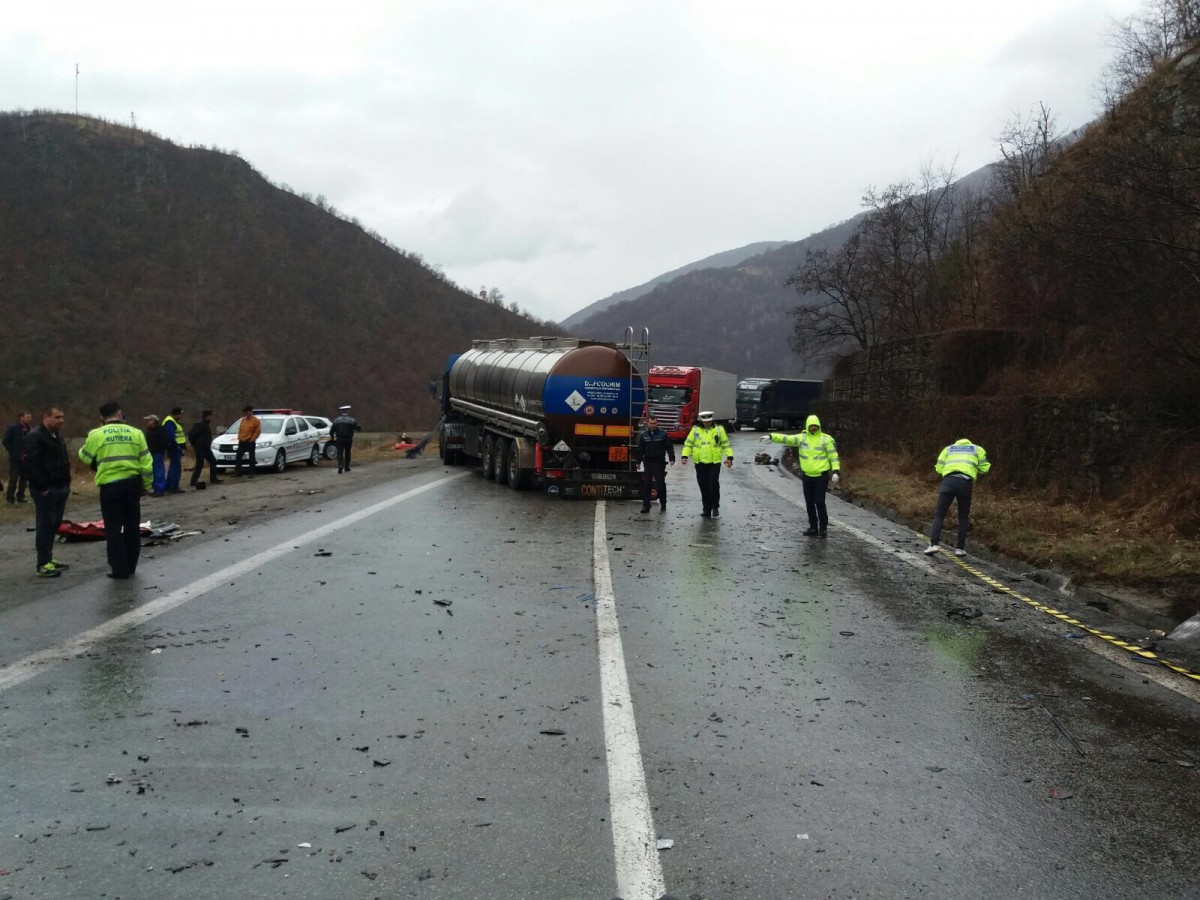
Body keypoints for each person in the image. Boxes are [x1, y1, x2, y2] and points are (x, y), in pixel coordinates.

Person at [78, 401, 153, 579]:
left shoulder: (96, 434)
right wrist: (147, 485)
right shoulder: (136, 433)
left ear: (102, 418)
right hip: (132, 484)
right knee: (132, 527)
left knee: (113, 528)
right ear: (120, 414)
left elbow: (84, 456)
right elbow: (147, 463)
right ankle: (131, 565)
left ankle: (119, 569)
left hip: (110, 485)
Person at [764, 414, 841, 537]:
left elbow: (833, 456)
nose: (814, 428)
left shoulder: (826, 440)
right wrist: (771, 436)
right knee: (809, 502)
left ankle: (823, 528)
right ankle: (813, 527)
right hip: (807, 476)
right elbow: (786, 439)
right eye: (812, 426)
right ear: (808, 426)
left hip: (821, 476)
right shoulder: (802, 438)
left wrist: (836, 471)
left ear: (819, 426)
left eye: (816, 426)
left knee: (820, 502)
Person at [23, 407, 71, 578]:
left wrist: (67, 482)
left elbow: (62, 459)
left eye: (62, 417)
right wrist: (43, 488)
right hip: (45, 489)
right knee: (45, 524)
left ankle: (49, 558)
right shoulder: (35, 436)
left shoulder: (57, 436)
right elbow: (31, 465)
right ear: (46, 417)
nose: (61, 420)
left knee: (54, 524)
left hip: (60, 486)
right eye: (57, 417)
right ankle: (42, 563)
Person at [923, 438, 991, 557]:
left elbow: (939, 468)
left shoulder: (948, 449)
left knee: (939, 514)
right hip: (965, 483)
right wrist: (973, 469)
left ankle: (933, 544)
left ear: (957, 442)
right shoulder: (977, 449)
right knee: (963, 516)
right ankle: (959, 548)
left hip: (948, 481)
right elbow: (985, 468)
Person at [680, 410, 733, 517]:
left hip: (714, 462)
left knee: (713, 484)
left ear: (712, 420)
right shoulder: (695, 430)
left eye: (709, 421)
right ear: (702, 420)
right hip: (700, 463)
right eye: (705, 421)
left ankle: (715, 506)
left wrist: (729, 457)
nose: (707, 423)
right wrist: (684, 456)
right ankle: (706, 509)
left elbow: (726, 444)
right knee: (703, 486)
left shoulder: (719, 430)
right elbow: (688, 444)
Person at [635, 414, 675, 513]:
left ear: (657, 423)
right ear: (647, 424)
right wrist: (638, 462)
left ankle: (663, 503)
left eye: (654, 423)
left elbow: (669, 447)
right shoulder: (644, 435)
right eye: (651, 423)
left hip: (659, 463)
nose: (652, 425)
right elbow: (640, 450)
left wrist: (671, 458)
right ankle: (646, 506)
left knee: (660, 484)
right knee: (647, 484)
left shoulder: (663, 434)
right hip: (648, 462)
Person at [3, 410, 33, 504]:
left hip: (26, 459)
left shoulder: (29, 429)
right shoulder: (13, 428)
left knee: (24, 479)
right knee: (13, 478)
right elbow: (5, 441)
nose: (29, 419)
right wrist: (12, 451)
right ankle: (10, 498)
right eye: (27, 417)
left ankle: (20, 497)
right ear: (22, 417)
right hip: (15, 459)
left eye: (30, 417)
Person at [188, 409, 221, 489]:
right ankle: (193, 481)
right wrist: (195, 444)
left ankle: (213, 479)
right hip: (200, 448)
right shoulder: (199, 424)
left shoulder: (206, 424)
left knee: (213, 461)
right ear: (206, 416)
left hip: (206, 448)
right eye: (210, 416)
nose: (211, 418)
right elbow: (191, 435)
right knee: (200, 464)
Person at [330, 405, 361, 473]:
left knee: (340, 453)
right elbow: (357, 428)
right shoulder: (352, 420)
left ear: (341, 411)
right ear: (348, 411)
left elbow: (331, 430)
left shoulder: (336, 420)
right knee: (347, 452)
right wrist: (358, 427)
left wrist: (332, 437)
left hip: (339, 439)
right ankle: (347, 467)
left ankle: (340, 466)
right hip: (348, 439)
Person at [162, 406, 186, 493]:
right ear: (176, 414)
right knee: (176, 468)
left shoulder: (171, 421)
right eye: (180, 414)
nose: (180, 416)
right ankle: (174, 486)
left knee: (172, 467)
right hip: (174, 448)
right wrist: (176, 446)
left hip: (174, 447)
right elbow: (170, 436)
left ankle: (169, 485)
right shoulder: (170, 422)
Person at [143, 415, 168, 497]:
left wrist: (160, 450)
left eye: (149, 420)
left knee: (158, 471)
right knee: (153, 471)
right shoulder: (149, 430)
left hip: (158, 453)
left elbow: (163, 441)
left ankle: (160, 489)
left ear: (154, 421)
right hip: (150, 453)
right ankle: (155, 489)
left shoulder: (160, 430)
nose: (148, 422)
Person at [234, 405, 261, 476]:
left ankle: (252, 473)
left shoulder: (256, 421)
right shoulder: (243, 420)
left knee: (251, 458)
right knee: (238, 456)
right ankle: (238, 472)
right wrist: (239, 437)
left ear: (250, 411)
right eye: (245, 412)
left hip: (250, 441)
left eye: (246, 412)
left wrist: (252, 439)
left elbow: (257, 432)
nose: (246, 414)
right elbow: (240, 429)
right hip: (242, 441)